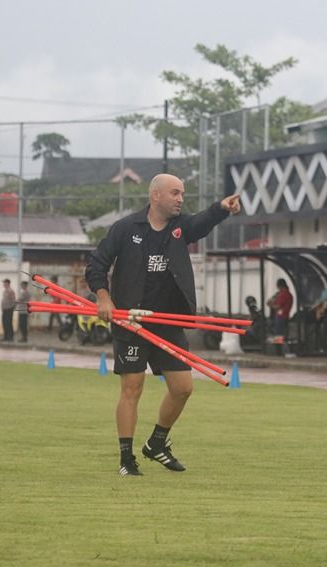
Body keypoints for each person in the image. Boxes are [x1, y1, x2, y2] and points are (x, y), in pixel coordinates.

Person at [86, 173, 241, 477]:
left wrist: (222, 207)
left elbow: (202, 221)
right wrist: (104, 298)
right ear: (155, 195)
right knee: (132, 388)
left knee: (183, 388)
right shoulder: (125, 228)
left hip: (168, 321)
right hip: (131, 321)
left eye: (182, 193)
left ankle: (156, 442)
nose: (180, 199)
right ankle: (126, 458)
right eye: (175, 193)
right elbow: (97, 264)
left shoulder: (180, 228)